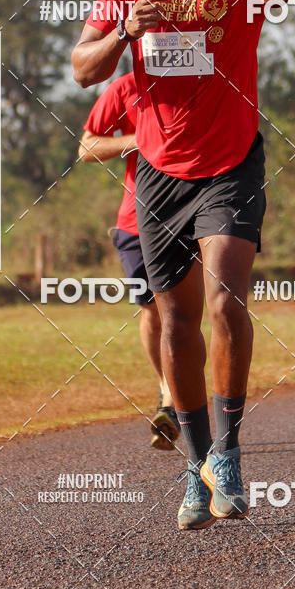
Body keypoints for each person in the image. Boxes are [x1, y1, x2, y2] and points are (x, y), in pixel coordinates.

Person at [72, 0, 295, 530]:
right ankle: (196, 469)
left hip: (230, 159)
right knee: (174, 320)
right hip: (160, 173)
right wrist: (122, 35)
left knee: (227, 302)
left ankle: (227, 455)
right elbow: (83, 69)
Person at [78, 71, 180, 451]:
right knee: (153, 310)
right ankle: (168, 391)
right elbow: (87, 147)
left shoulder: (204, 75)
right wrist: (140, 139)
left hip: (194, 218)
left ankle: (178, 402)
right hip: (136, 222)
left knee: (184, 311)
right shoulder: (124, 88)